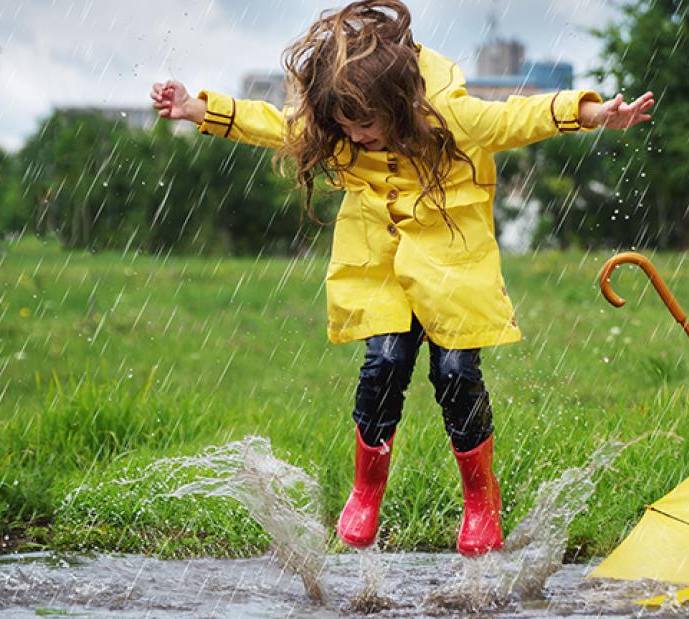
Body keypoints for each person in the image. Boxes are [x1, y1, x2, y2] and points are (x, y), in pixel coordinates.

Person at [150, 0, 653, 557]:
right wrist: (199, 108)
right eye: (343, 125)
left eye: (364, 125)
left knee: (457, 373)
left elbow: (517, 118)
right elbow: (276, 124)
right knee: (385, 362)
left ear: (395, 105)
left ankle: (481, 499)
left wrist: (594, 113)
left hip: (452, 256)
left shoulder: (449, 114)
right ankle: (366, 489)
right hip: (378, 259)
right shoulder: (339, 125)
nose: (353, 135)